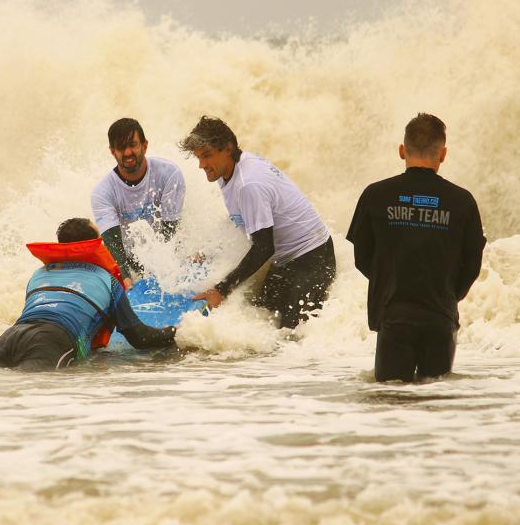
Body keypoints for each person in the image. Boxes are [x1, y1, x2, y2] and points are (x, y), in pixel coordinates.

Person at [346, 113, 486, 382]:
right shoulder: (462, 201)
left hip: (394, 316)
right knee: (436, 402)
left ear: (402, 150)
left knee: (391, 398)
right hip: (440, 316)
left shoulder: (376, 194)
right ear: (443, 154)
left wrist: (390, 282)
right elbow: (472, 265)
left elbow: (362, 258)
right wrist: (446, 293)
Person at [178, 116, 336, 329]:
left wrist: (221, 290)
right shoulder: (230, 171)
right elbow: (242, 220)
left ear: (227, 149)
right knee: (261, 317)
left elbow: (263, 247)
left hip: (312, 258)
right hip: (286, 260)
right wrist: (209, 251)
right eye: (199, 157)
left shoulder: (248, 184)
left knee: (290, 335)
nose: (201, 165)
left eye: (206, 156)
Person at [0, 218, 177, 371]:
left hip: (10, 336)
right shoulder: (107, 280)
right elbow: (140, 338)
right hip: (53, 339)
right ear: (95, 245)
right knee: (34, 389)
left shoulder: (39, 274)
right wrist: (176, 333)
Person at [91, 118, 186, 289]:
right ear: (113, 152)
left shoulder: (169, 174)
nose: (127, 152)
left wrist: (164, 270)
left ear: (145, 145)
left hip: (169, 253)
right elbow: (113, 242)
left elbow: (170, 230)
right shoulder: (102, 192)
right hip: (131, 261)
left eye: (133, 145)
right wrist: (125, 277)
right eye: (121, 147)